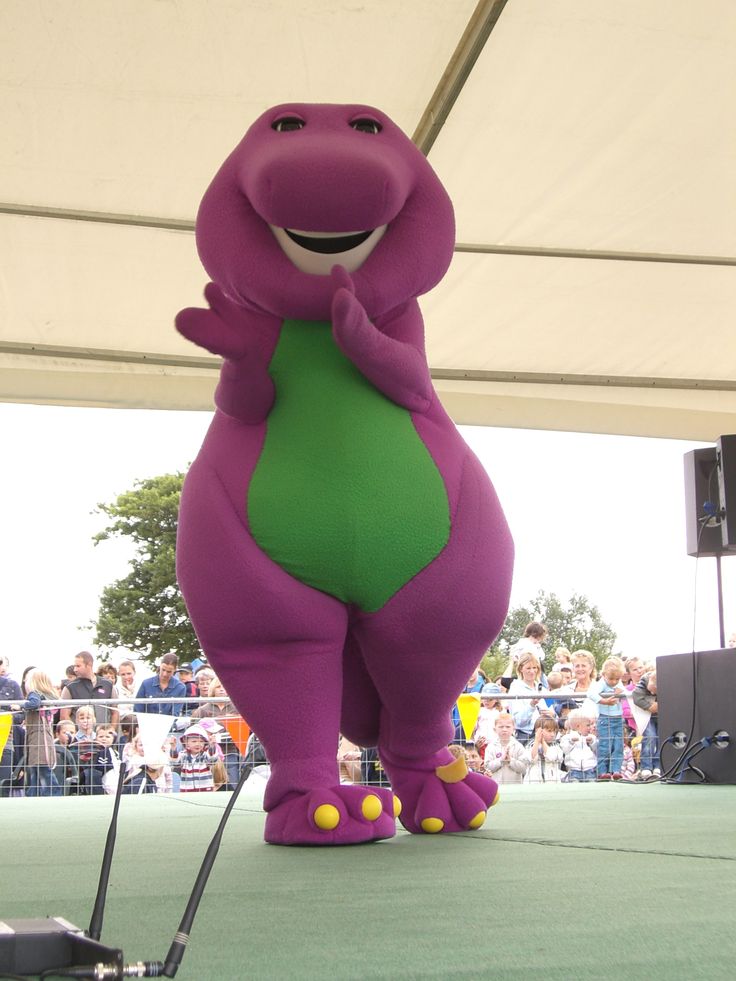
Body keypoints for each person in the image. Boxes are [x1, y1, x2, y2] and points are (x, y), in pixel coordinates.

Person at [21, 669, 62, 797]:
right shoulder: (47, 696)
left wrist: (21, 706)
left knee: (43, 770)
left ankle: (54, 793)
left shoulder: (34, 694)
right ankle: (33, 794)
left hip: (38, 739)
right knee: (36, 771)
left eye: (27, 680)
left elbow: (34, 703)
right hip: (43, 737)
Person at [587, 656, 626, 780]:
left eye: (617, 679)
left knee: (618, 745)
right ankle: (602, 771)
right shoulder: (601, 684)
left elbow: (623, 693)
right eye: (611, 678)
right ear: (603, 675)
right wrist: (603, 701)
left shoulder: (618, 684)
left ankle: (616, 770)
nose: (614, 681)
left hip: (618, 718)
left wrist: (620, 692)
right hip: (605, 719)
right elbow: (591, 693)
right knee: (605, 745)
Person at [59, 651, 118, 727]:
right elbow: (64, 716)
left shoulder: (108, 685)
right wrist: (77, 734)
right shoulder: (69, 687)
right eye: (75, 666)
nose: (75, 669)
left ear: (89, 665)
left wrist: (111, 732)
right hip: (80, 738)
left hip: (103, 736)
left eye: (78, 666)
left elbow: (115, 713)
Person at [508, 652, 552, 745]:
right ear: (521, 669)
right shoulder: (515, 688)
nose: (532, 671)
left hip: (546, 735)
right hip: (526, 737)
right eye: (528, 668)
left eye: (534, 668)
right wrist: (531, 705)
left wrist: (552, 715)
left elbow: (553, 710)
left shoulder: (543, 689)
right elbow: (518, 722)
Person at [170, 723, 219, 793]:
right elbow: (175, 763)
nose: (198, 744)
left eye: (201, 741)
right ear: (186, 743)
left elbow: (212, 760)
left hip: (205, 789)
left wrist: (212, 746)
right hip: (186, 790)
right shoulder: (183, 755)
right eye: (194, 741)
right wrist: (173, 748)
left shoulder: (205, 755)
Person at [483, 713, 528, 784]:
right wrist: (500, 760)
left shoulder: (518, 746)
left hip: (514, 788)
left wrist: (511, 761)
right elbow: (487, 767)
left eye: (508, 727)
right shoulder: (491, 747)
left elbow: (524, 768)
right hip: (497, 787)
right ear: (495, 729)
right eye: (501, 727)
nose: (504, 729)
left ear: (514, 729)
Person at [0, 656, 24, 788]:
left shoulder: (13, 685)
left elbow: (21, 715)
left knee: (3, 784)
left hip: (6, 741)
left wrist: (7, 717)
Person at [633, 670, 659, 779]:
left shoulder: (668, 682)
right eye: (651, 690)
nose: (652, 694)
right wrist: (648, 706)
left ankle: (658, 765)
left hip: (662, 716)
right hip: (647, 716)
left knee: (662, 738)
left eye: (655, 692)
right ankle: (646, 767)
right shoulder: (643, 682)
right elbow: (636, 698)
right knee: (650, 737)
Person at [560, 709, 598, 782]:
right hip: (574, 771)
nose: (590, 727)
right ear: (578, 726)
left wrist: (592, 742)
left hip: (590, 769)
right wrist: (571, 742)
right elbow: (565, 750)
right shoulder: (567, 738)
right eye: (588, 725)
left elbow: (596, 748)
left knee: (592, 786)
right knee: (575, 786)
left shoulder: (592, 737)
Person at [523, 716, 563, 784]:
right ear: (538, 730)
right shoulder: (530, 745)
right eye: (549, 731)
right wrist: (537, 741)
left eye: (554, 731)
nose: (553, 734)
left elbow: (552, 757)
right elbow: (531, 759)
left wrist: (543, 742)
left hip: (552, 783)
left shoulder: (556, 746)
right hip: (533, 783)